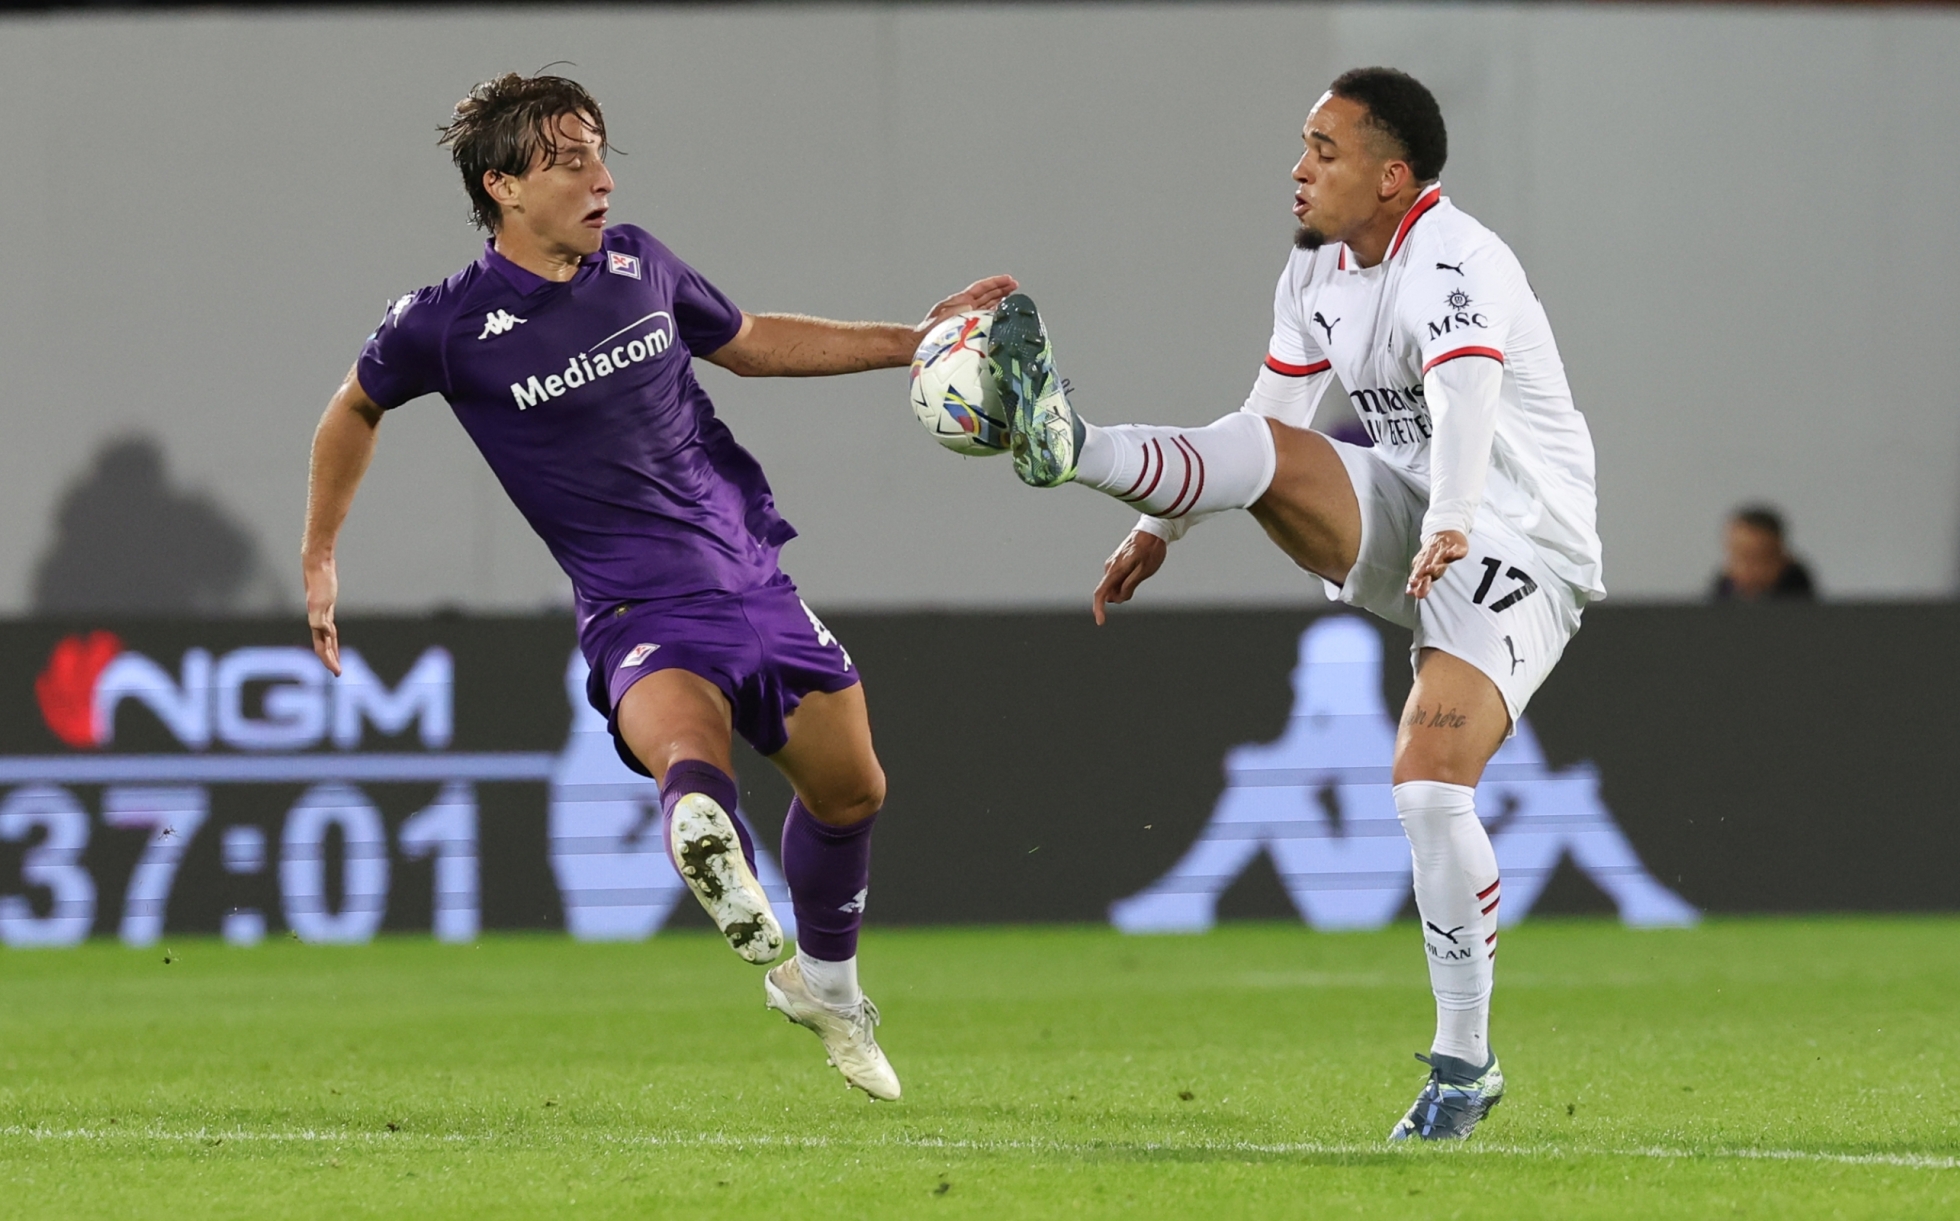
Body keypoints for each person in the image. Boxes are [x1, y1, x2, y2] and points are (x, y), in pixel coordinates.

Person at [300, 72, 1015, 1101]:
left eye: (600, 153)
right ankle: (700, 827)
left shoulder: (641, 265)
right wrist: (323, 553)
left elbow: (752, 343)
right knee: (687, 742)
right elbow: (350, 411)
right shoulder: (444, 325)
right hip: (640, 604)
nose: (600, 179)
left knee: (854, 790)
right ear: (502, 186)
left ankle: (824, 987)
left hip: (752, 575)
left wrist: (914, 343)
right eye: (569, 161)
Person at [978, 67, 1602, 1140]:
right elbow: (1264, 418)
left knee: (1427, 789)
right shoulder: (1316, 268)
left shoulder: (1455, 258)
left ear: (1393, 176)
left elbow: (1466, 394)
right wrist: (1153, 528)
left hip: (1519, 541)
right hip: (1418, 512)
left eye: (1325, 148)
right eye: (1303, 144)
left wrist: (1455, 514)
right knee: (1272, 450)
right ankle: (1074, 448)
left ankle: (1464, 1065)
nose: (1300, 166)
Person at [1710, 505, 1815, 601]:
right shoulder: (1719, 597)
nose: (1746, 569)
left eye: (1756, 560)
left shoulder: (1800, 598)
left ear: (1783, 558)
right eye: (1738, 558)